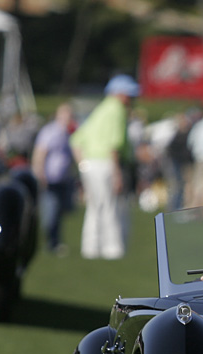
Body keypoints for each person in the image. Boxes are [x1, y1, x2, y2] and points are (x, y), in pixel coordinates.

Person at [69, 74, 140, 260]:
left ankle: (91, 248)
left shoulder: (100, 109)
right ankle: (112, 249)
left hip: (90, 163)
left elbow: (76, 140)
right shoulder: (116, 110)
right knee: (110, 206)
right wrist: (117, 173)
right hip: (106, 164)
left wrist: (82, 165)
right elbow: (113, 145)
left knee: (95, 206)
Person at [31, 102, 76, 255]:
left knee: (59, 213)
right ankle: (48, 242)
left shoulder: (68, 133)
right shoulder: (50, 131)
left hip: (63, 179)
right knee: (50, 212)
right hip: (49, 179)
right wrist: (39, 172)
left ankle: (55, 242)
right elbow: (40, 152)